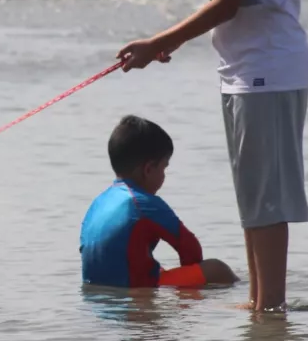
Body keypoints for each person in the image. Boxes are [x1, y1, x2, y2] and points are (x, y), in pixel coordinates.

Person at [116, 0, 308, 313]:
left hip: (268, 71)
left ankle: (271, 307)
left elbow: (224, 3)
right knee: (252, 194)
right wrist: (170, 42)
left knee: (267, 198)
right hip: (243, 71)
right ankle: (257, 299)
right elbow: (224, 3)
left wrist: (161, 41)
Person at [80, 115, 238, 289]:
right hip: (134, 286)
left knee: (154, 266)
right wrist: (192, 286)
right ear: (148, 169)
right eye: (164, 167)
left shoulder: (99, 201)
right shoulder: (145, 203)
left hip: (96, 291)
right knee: (217, 269)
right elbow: (189, 246)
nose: (164, 175)